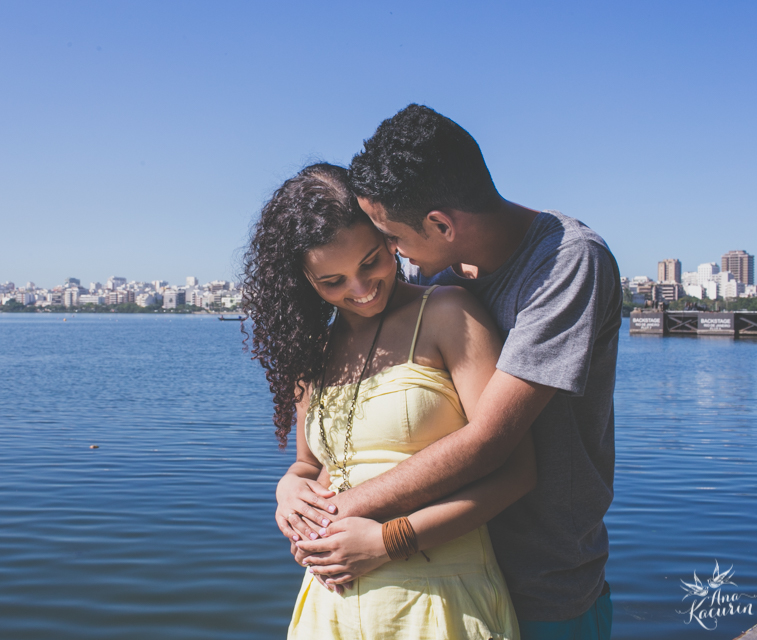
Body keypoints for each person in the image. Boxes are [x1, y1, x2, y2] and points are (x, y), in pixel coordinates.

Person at [281, 105, 621, 639]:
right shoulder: (438, 269)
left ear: (440, 224)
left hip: (541, 569)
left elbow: (491, 439)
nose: (391, 259)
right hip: (431, 562)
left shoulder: (567, 264)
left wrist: (347, 516)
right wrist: (297, 488)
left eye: (390, 241)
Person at [243, 163, 537, 639]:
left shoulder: (447, 313)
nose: (360, 290)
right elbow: (308, 464)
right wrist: (287, 489)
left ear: (389, 241)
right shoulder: (312, 353)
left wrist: (389, 541)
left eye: (370, 262)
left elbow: (517, 471)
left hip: (440, 604)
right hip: (329, 609)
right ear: (304, 282)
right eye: (332, 281)